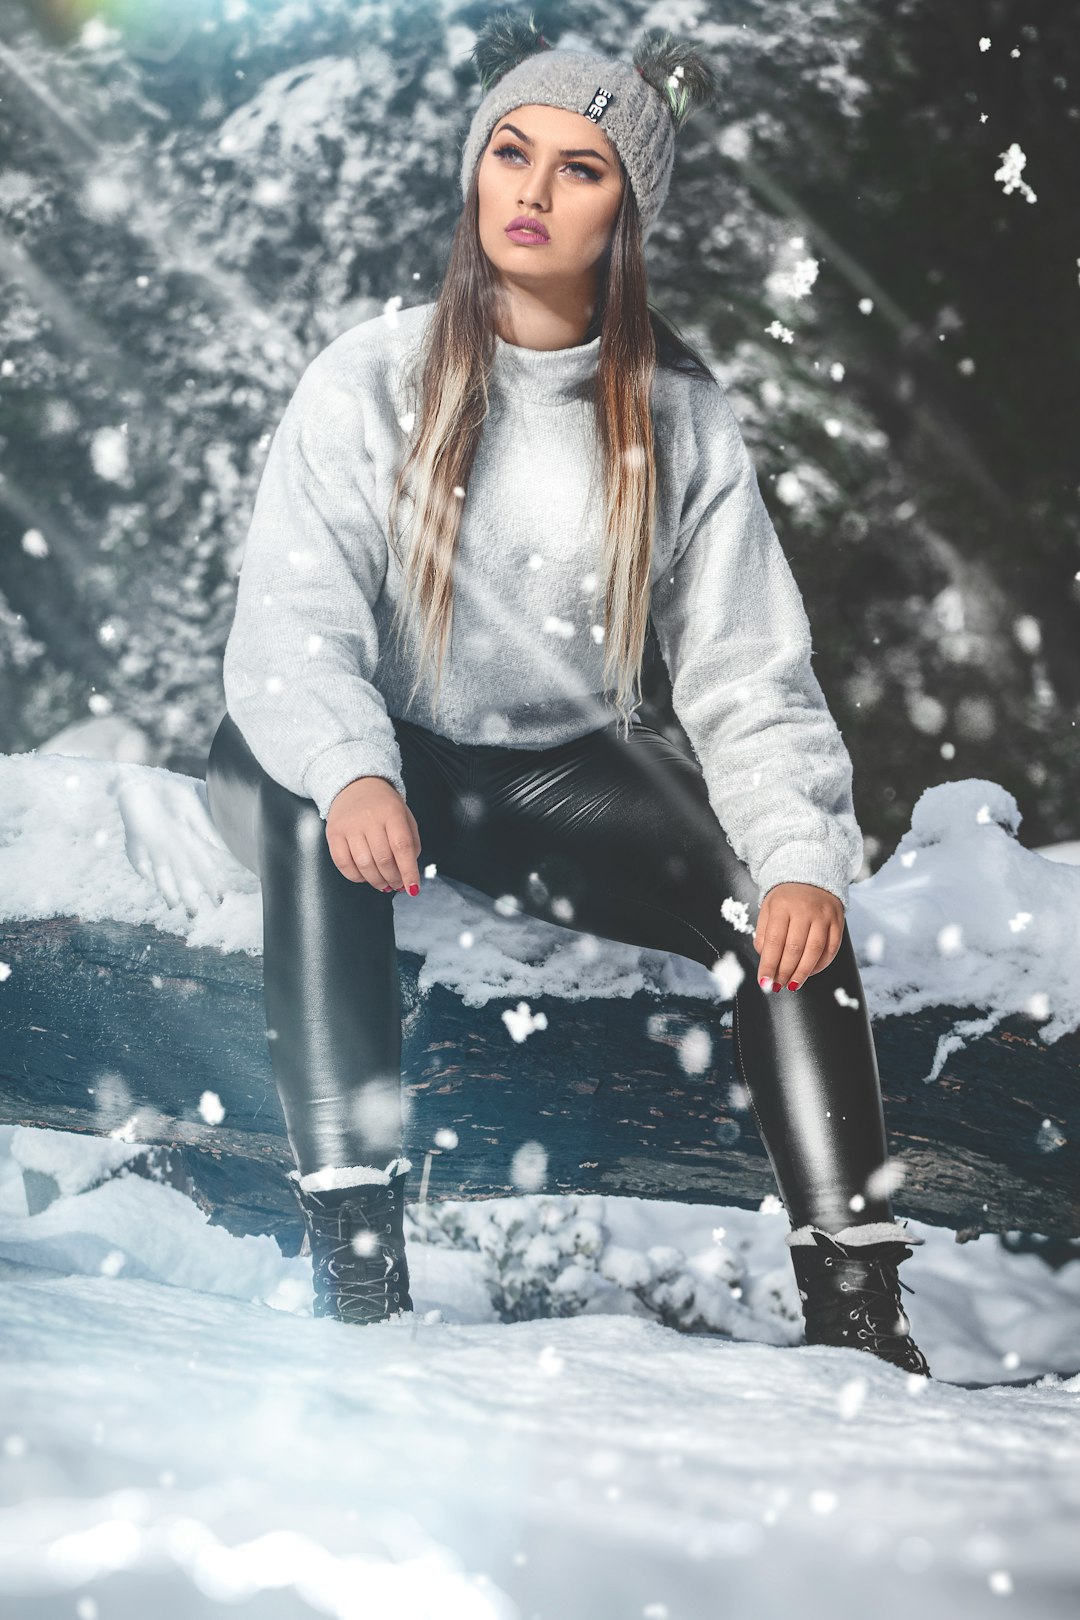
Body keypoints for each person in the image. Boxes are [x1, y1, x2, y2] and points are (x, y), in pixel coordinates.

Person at [205, 11, 931, 1376]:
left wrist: (799, 859)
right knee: (317, 829)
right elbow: (293, 625)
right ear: (477, 168)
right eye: (511, 152)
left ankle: (859, 1315)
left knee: (779, 920)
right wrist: (358, 768)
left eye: (579, 168)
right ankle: (360, 1280)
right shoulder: (368, 378)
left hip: (540, 766)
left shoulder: (678, 418)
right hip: (331, 740)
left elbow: (745, 668)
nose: (531, 193)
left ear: (628, 209)